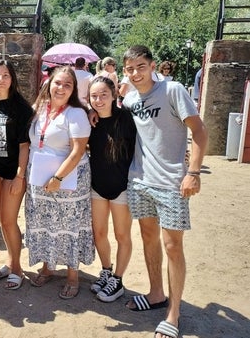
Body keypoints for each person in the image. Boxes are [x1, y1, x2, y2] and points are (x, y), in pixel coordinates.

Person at [120, 45, 208, 338]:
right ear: (125, 71)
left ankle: (174, 314)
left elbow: (199, 131)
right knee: (148, 238)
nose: (136, 73)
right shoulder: (131, 99)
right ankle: (156, 293)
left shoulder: (173, 90)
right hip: (140, 180)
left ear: (152, 65)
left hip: (171, 182)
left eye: (141, 67)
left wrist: (193, 172)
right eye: (130, 69)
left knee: (172, 246)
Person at [26, 65, 94, 300]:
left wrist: (57, 178)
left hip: (68, 180)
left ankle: (73, 276)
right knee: (45, 222)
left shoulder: (76, 113)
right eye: (57, 82)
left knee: (69, 226)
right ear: (48, 83)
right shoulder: (39, 109)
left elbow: (77, 151)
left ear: (74, 89)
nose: (61, 88)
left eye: (68, 84)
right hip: (39, 178)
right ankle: (48, 266)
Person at [87, 76, 136, 303]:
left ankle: (117, 280)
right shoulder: (90, 121)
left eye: (103, 94)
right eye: (94, 96)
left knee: (121, 235)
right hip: (97, 185)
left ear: (114, 94)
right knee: (99, 233)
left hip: (122, 186)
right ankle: (106, 270)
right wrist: (88, 111)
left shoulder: (127, 118)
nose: (98, 100)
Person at [0, 60, 34, 290]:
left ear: (12, 79)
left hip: (14, 173)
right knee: (3, 222)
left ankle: (17, 269)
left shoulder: (22, 108)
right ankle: (10, 260)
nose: (1, 79)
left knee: (9, 220)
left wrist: (20, 176)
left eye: (5, 75)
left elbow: (25, 145)